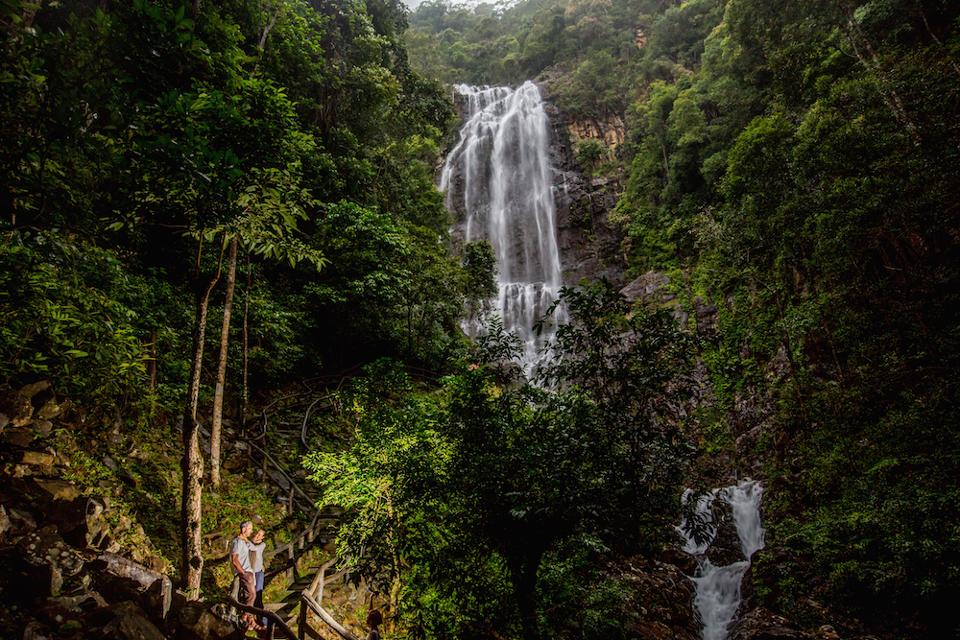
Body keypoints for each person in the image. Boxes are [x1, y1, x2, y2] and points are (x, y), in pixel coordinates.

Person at [230, 521, 264, 633]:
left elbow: (253, 548)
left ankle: (250, 621)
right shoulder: (237, 542)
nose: (251, 531)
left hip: (250, 572)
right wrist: (243, 572)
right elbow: (234, 560)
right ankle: (244, 618)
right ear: (244, 529)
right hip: (245, 573)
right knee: (253, 595)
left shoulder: (244, 542)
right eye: (250, 529)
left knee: (250, 596)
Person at [249, 529, 267, 626]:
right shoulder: (249, 543)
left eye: (259, 534)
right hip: (249, 572)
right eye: (256, 533)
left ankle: (263, 621)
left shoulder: (262, 545)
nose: (257, 535)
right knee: (250, 595)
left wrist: (244, 540)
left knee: (258, 595)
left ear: (262, 537)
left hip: (258, 573)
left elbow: (254, 549)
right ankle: (250, 619)